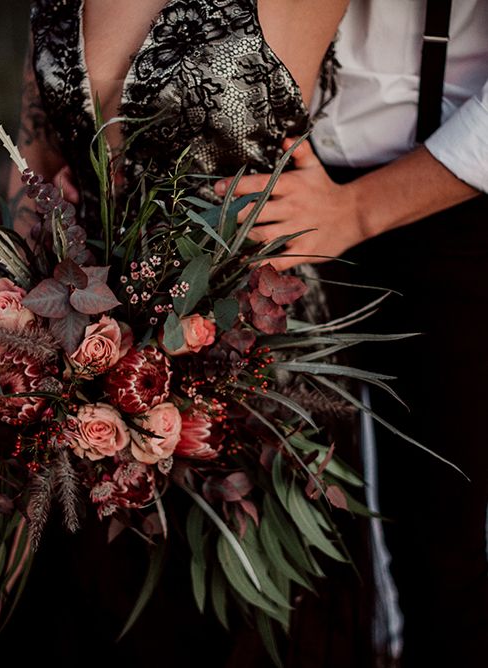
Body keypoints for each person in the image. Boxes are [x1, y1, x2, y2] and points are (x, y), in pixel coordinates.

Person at [0, 2, 383, 667]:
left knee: (240, 621)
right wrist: (9, 318)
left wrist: (364, 209)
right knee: (92, 610)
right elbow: (36, 155)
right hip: (76, 349)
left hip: (250, 366)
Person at [215, 2, 488, 666]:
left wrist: (361, 211)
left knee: (443, 526)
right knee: (273, 510)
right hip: (266, 201)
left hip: (447, 198)